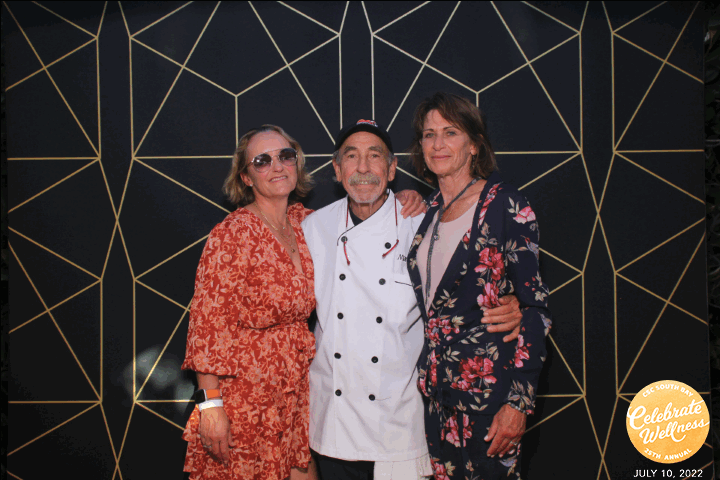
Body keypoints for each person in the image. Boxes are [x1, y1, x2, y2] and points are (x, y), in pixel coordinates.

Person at [181, 125, 425, 480]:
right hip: (245, 396)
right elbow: (207, 325)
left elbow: (371, 217)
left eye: (285, 156)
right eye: (262, 161)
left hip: (294, 396)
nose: (277, 166)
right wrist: (210, 405)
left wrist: (401, 199)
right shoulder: (233, 233)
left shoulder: (306, 223)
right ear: (246, 177)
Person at [301, 119, 523, 480]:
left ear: (392, 170)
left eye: (375, 156)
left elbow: (465, 294)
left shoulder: (423, 224)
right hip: (333, 419)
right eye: (351, 157)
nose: (362, 168)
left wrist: (513, 302)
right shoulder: (313, 228)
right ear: (337, 170)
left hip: (398, 421)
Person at [406, 92, 552, 480]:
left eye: (450, 132)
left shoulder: (505, 205)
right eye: (429, 134)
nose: (438, 144)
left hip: (489, 397)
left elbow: (535, 309)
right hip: (436, 397)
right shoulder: (430, 209)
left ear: (474, 144)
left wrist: (518, 403)